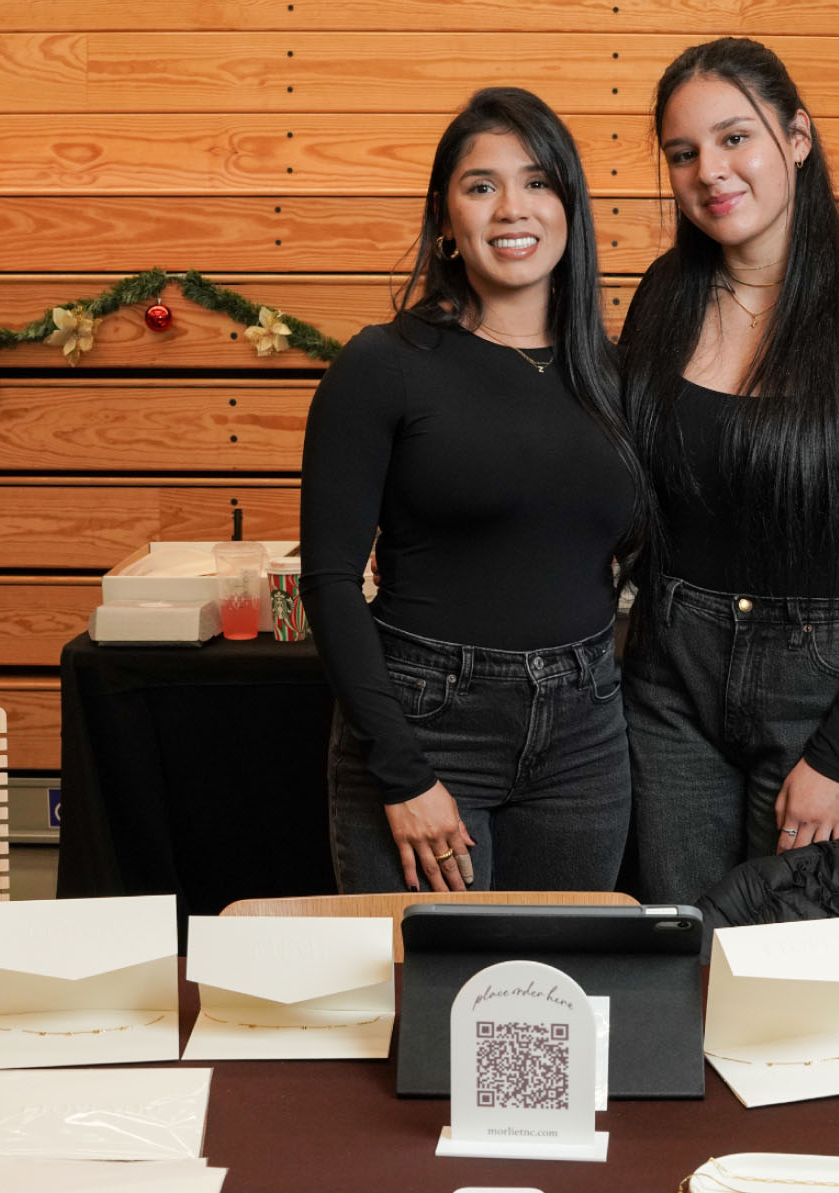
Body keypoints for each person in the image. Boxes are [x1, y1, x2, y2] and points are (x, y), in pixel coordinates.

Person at [618, 38, 839, 905]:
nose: (710, 171)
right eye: (683, 152)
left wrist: (837, 753)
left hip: (826, 688)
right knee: (683, 956)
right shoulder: (663, 294)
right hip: (671, 685)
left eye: (735, 138)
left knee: (805, 979)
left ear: (797, 138)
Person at [299, 87, 642, 894]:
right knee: (434, 1005)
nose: (510, 209)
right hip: (427, 725)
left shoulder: (615, 373)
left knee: (558, 996)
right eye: (481, 186)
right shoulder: (384, 365)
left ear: (569, 206)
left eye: (536, 182)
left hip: (586, 735)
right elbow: (329, 581)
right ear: (445, 218)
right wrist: (404, 776)